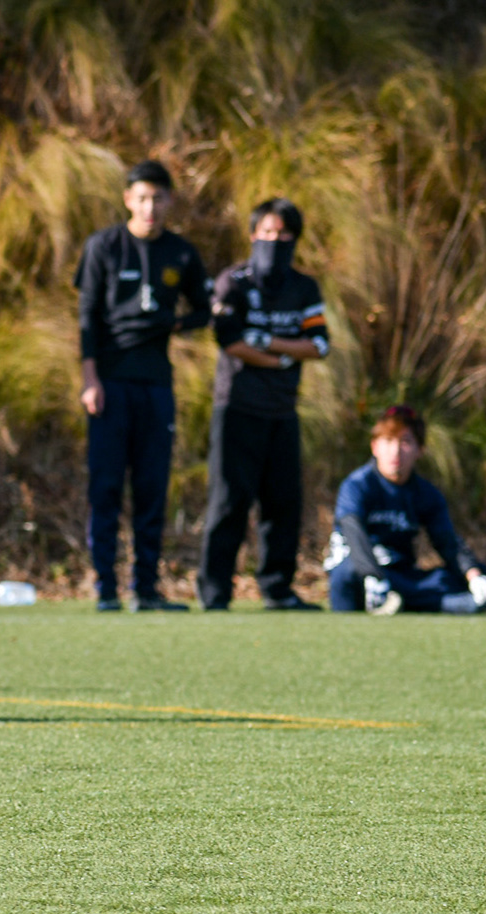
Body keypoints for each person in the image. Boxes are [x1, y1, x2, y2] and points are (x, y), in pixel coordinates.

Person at [74, 159, 209, 611]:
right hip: (111, 384)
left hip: (156, 386)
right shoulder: (103, 246)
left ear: (170, 201)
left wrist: (174, 323)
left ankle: (146, 589)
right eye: (143, 198)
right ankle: (105, 588)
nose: (150, 207)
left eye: (159, 198)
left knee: (152, 488)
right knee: (106, 487)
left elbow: (204, 309)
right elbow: (87, 317)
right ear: (128, 200)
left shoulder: (181, 253)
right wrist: (90, 379)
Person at [198, 196, 329, 611]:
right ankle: (215, 592)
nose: (274, 241)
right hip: (237, 408)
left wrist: (268, 343)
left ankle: (277, 589)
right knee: (228, 502)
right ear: (254, 234)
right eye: (267, 232)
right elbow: (230, 341)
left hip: (283, 410)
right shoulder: (234, 282)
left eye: (284, 234)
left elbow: (320, 344)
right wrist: (283, 356)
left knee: (283, 503)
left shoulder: (304, 287)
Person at [323, 405, 486, 615]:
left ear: (420, 450)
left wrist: (474, 575)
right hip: (361, 573)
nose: (395, 451)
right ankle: (410, 603)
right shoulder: (357, 485)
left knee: (463, 580)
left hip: (400, 576)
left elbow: (447, 541)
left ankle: (401, 603)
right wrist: (372, 575)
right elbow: (353, 532)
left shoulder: (426, 493)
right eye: (388, 441)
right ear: (374, 446)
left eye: (405, 442)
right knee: (347, 573)